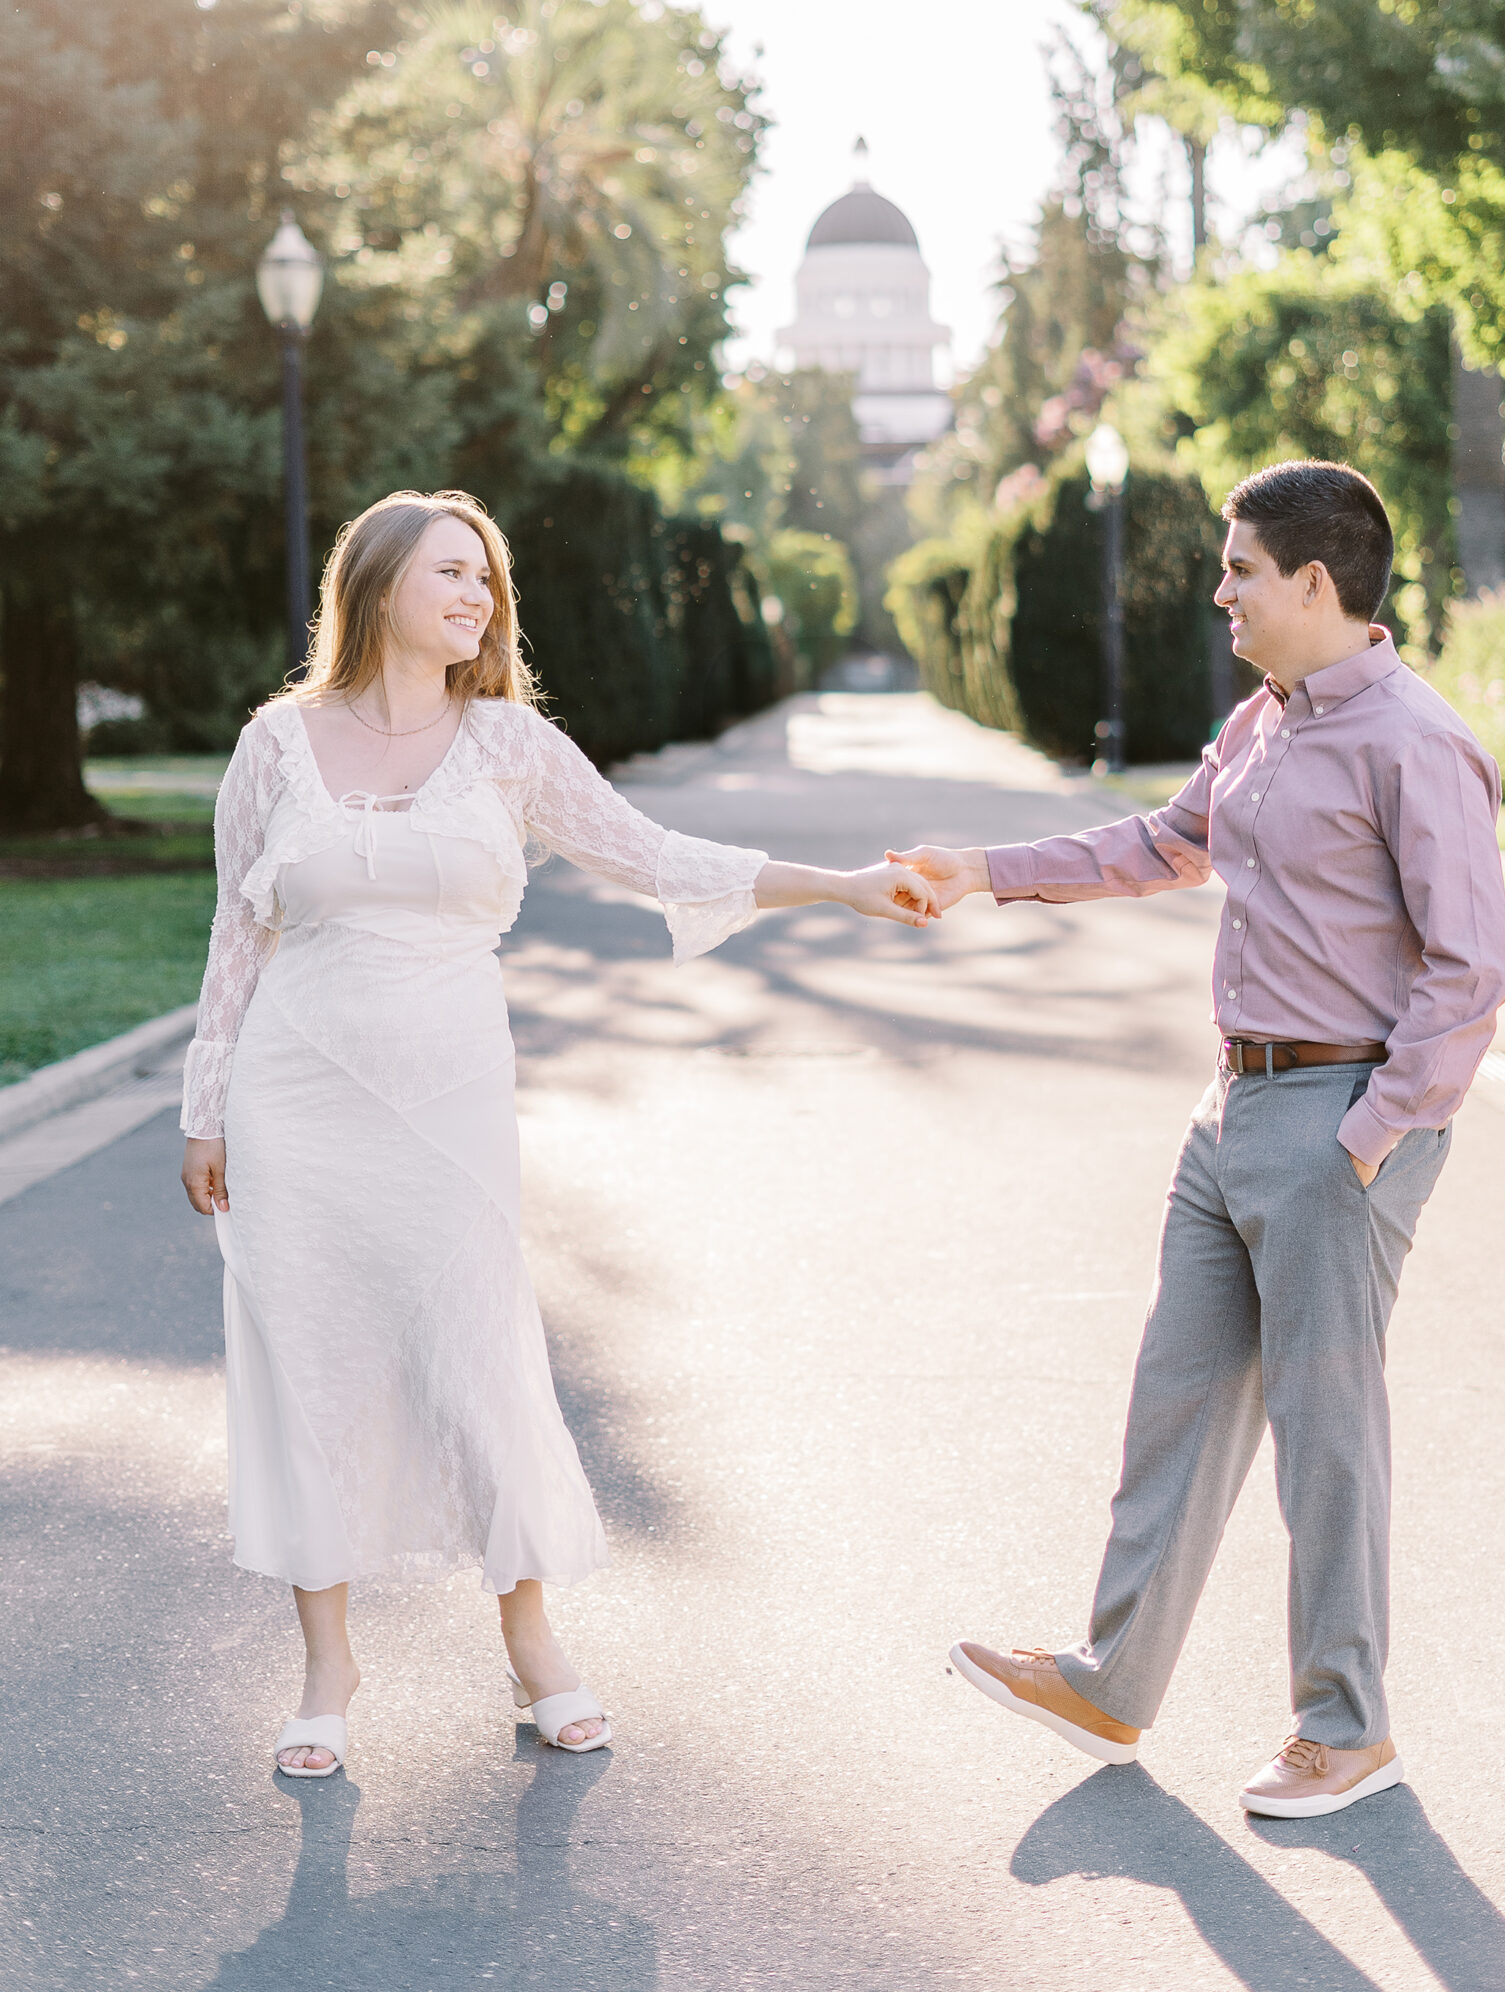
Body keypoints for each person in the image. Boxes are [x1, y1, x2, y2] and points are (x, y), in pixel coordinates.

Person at [180, 487, 937, 1777]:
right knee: (307, 1364)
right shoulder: (276, 745)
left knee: (477, 1355)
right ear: (373, 591)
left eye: (487, 578)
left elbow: (653, 854)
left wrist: (839, 884)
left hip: (447, 1100)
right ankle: (327, 1664)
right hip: (293, 1094)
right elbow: (238, 932)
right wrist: (206, 1106)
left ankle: (533, 1648)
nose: (477, 598)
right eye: (450, 575)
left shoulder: (508, 745)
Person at [889, 459, 1505, 1818]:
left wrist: (1368, 1140)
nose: (1220, 588)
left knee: (1323, 1431)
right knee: (1175, 1398)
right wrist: (983, 871)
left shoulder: (1413, 739)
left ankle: (1343, 1728)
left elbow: (1470, 972)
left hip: (1335, 1121)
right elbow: (1164, 844)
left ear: (1313, 580)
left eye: (1239, 567)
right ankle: (1111, 1682)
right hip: (1228, 1105)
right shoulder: (1262, 722)